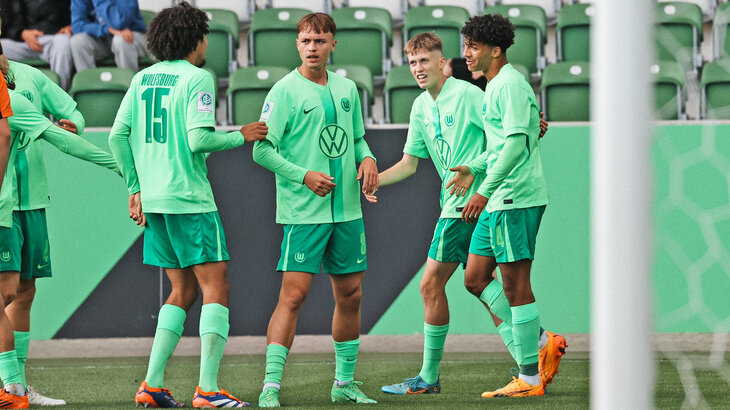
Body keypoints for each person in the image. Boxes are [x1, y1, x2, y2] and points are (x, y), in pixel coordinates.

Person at [372, 32, 554, 396]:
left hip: (471, 203)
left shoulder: (470, 94)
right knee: (479, 282)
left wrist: (532, 128)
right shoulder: (420, 107)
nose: (418, 69)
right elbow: (409, 164)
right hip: (465, 203)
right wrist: (375, 181)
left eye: (425, 61)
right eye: (412, 63)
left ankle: (431, 377)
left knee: (432, 284)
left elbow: (504, 136)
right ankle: (535, 351)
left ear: (443, 63)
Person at [108, 2, 268, 408]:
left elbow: (116, 137)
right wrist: (241, 135)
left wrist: (135, 188)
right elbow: (200, 140)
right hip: (189, 198)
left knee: (182, 290)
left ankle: (152, 384)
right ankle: (208, 390)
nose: (207, 43)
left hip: (156, 200)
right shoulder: (198, 78)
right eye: (205, 36)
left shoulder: (142, 79)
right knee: (217, 286)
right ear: (195, 38)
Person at [252, 12, 378, 408]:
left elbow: (356, 139)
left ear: (333, 44)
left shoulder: (347, 89)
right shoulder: (282, 92)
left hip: (347, 212)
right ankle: (270, 386)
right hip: (304, 212)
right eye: (306, 40)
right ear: (297, 44)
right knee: (293, 297)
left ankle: (343, 382)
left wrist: (369, 157)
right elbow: (261, 149)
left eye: (320, 41)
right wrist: (304, 176)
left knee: (352, 296)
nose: (312, 48)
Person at [450, 14, 566, 398]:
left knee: (517, 288)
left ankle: (530, 379)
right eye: (465, 45)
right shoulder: (496, 85)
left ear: (495, 51)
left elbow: (516, 146)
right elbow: (504, 144)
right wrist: (474, 169)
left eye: (474, 47)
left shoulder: (509, 85)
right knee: (475, 278)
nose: (466, 54)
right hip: (500, 198)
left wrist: (484, 190)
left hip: (513, 198)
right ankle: (541, 340)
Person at [0, 53, 120, 409]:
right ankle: (11, 385)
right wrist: (124, 169)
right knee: (2, 294)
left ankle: (17, 385)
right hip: (4, 203)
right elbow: (50, 139)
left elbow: (71, 118)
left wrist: (76, 123)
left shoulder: (29, 78)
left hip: (32, 199)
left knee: (23, 292)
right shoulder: (11, 96)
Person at [0, 0, 73, 90]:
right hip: (23, 42)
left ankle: (59, 96)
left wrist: (72, 26)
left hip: (52, 40)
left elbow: (81, 14)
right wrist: (21, 33)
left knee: (63, 42)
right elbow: (8, 21)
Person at [70, 0, 149, 72]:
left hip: (134, 37)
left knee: (121, 40)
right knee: (77, 41)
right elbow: (77, 26)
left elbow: (119, 23)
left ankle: (130, 85)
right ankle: (90, 85)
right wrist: (106, 30)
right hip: (103, 41)